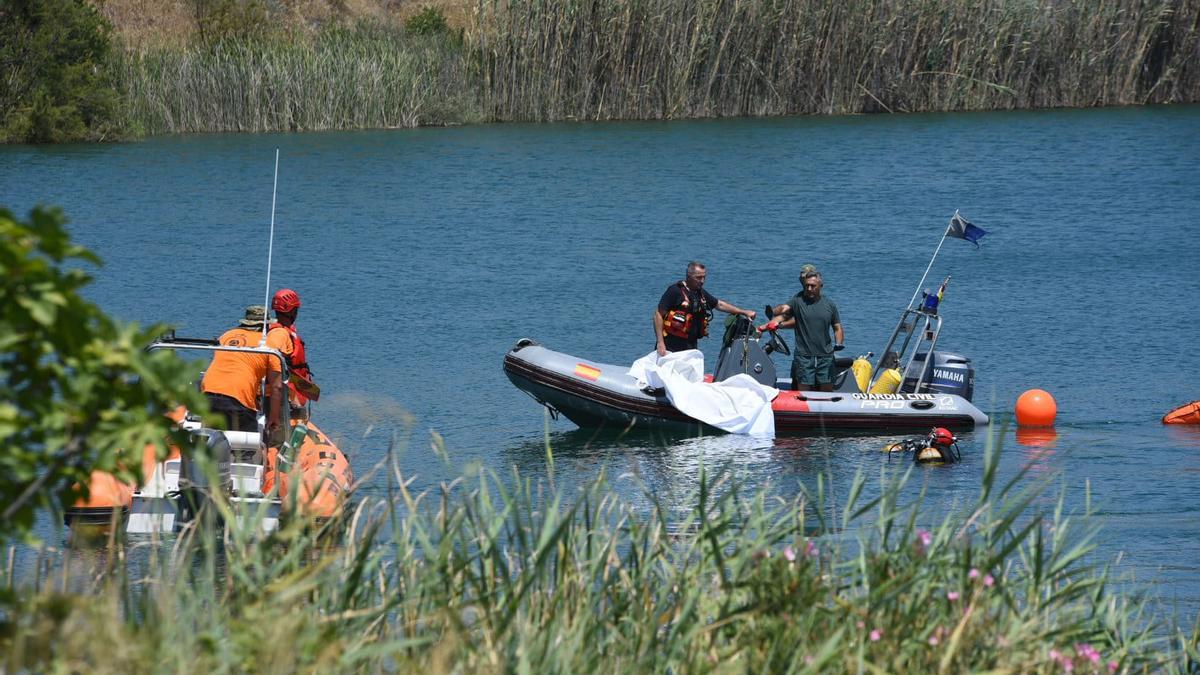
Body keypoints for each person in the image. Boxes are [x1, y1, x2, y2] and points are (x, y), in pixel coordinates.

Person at [200, 305, 289, 435]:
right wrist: (274, 417)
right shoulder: (268, 345)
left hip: (207, 395)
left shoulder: (226, 336)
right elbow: (276, 387)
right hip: (238, 399)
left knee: (210, 442)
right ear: (265, 326)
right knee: (248, 447)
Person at [760, 264, 844, 391]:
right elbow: (783, 310)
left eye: (813, 286)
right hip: (804, 357)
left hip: (825, 356)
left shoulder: (829, 305)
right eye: (807, 286)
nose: (809, 288)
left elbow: (837, 327)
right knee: (803, 391)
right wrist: (772, 313)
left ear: (820, 286)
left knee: (826, 391)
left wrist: (839, 343)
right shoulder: (798, 301)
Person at [654, 261, 756, 356]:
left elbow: (719, 304)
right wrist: (660, 342)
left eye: (704, 277)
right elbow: (658, 315)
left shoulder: (700, 293)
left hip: (690, 345)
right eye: (698, 278)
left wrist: (744, 312)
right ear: (689, 276)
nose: (702, 281)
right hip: (670, 346)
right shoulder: (675, 291)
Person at [267, 288, 318, 407]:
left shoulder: (285, 330)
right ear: (291, 311)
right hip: (287, 395)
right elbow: (271, 358)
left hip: (293, 390)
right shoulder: (280, 333)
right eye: (296, 309)